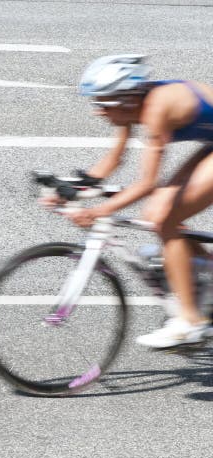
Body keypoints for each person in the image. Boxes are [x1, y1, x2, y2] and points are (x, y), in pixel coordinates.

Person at [67, 54, 213, 348]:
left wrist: (100, 210)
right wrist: (68, 189)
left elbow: (148, 183)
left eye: (102, 103)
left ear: (127, 98)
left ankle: (189, 323)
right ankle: (201, 273)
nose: (97, 111)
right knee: (156, 213)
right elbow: (113, 159)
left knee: (164, 219)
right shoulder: (132, 107)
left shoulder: (157, 107)